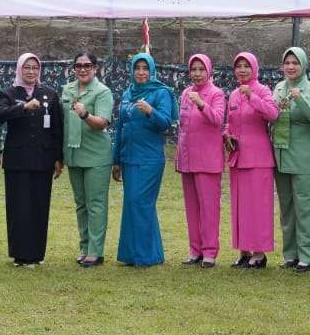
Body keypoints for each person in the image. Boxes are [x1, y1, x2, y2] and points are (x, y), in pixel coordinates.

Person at [0, 53, 63, 267]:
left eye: (34, 67)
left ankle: (36, 254)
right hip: (18, 160)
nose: (31, 71)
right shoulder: (8, 93)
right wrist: (22, 107)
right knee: (19, 208)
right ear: (19, 69)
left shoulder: (50, 94)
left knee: (40, 206)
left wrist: (58, 157)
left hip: (43, 159)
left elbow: (57, 128)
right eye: (26, 67)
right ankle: (20, 254)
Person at [113, 53, 176, 267]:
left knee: (140, 203)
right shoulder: (128, 93)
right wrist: (116, 160)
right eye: (137, 68)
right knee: (131, 205)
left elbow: (165, 123)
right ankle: (133, 254)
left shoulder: (161, 92)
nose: (141, 72)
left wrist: (150, 111)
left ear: (151, 71)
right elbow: (120, 127)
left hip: (149, 159)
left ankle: (145, 256)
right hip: (129, 158)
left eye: (145, 68)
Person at [272, 47, 310, 271]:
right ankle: (291, 255)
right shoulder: (278, 88)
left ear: (303, 65)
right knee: (287, 209)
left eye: (295, 63)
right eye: (287, 63)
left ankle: (308, 257)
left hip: (305, 158)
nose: (291, 66)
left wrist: (302, 101)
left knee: (306, 209)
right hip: (282, 155)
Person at [60, 51, 113, 266]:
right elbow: (62, 122)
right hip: (74, 155)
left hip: (96, 156)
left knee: (96, 204)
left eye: (87, 65)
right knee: (80, 204)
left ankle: (95, 251)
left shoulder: (102, 92)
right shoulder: (67, 90)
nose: (83, 69)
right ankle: (84, 247)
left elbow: (102, 123)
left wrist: (85, 115)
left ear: (95, 68)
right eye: (78, 65)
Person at [224, 52, 277, 269]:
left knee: (258, 207)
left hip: (258, 159)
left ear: (254, 68)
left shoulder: (262, 90)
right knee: (240, 206)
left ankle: (259, 252)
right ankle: (243, 250)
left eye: (246, 66)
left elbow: (273, 114)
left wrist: (253, 98)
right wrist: (226, 134)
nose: (242, 70)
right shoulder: (233, 94)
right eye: (239, 66)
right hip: (238, 157)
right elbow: (230, 122)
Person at [175, 53, 225, 267]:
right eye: (193, 69)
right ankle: (195, 250)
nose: (197, 73)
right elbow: (183, 126)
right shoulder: (186, 93)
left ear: (209, 71)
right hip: (187, 159)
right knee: (192, 208)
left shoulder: (216, 93)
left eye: (201, 69)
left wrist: (202, 104)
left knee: (209, 208)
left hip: (207, 161)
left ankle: (209, 252)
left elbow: (218, 120)